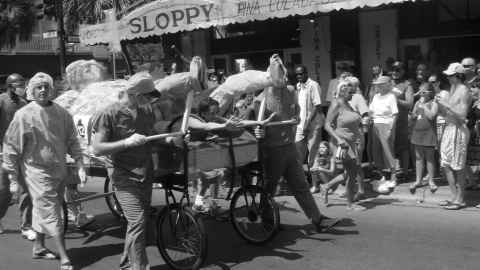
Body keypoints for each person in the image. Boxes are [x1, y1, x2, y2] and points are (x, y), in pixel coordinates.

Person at [91, 72, 181, 270]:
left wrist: (169, 140)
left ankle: (126, 262)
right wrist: (126, 142)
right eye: (148, 96)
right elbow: (96, 148)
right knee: (138, 221)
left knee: (139, 222)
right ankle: (139, 266)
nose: (150, 100)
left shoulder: (147, 110)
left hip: (145, 171)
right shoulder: (109, 113)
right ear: (136, 95)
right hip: (122, 173)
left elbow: (152, 136)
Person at [2, 72, 85, 270]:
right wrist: (13, 177)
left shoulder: (62, 113)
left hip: (59, 170)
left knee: (44, 208)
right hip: (36, 171)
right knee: (51, 211)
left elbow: (72, 139)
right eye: (38, 87)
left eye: (46, 86)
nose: (42, 90)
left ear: (51, 89)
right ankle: (65, 257)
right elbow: (11, 147)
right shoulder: (24, 115)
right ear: (32, 90)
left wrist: (80, 162)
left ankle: (39, 247)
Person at [253, 54, 340, 232]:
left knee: (300, 184)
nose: (284, 78)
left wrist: (296, 119)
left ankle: (317, 220)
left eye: (284, 74)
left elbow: (298, 112)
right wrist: (258, 131)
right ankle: (267, 220)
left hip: (290, 147)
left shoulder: (291, 91)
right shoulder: (261, 100)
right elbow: (256, 125)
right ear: (270, 77)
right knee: (269, 188)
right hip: (272, 150)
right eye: (280, 75)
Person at [0, 73, 33, 238]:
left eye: (22, 84)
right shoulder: (1, 101)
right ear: (10, 86)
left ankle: (26, 226)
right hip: (4, 152)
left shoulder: (23, 103)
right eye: (18, 85)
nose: (22, 88)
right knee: (4, 191)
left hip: (22, 151)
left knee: (25, 189)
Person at [324, 80, 364, 211]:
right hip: (341, 144)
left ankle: (327, 186)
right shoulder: (336, 103)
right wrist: (338, 139)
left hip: (351, 143)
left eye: (353, 92)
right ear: (342, 91)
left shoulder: (348, 104)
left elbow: (352, 122)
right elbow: (327, 125)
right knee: (352, 172)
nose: (352, 95)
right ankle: (350, 204)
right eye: (350, 92)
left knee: (349, 173)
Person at [436, 63, 471, 210]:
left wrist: (446, 104)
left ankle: (460, 199)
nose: (448, 77)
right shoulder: (453, 88)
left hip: (458, 129)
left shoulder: (463, 90)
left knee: (458, 166)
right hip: (449, 128)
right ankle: (454, 196)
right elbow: (446, 113)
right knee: (446, 163)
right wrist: (440, 105)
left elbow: (462, 115)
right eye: (448, 75)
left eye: (451, 75)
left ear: (458, 75)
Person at [368, 75, 398, 190]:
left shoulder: (391, 97)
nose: (378, 87)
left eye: (380, 85)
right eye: (377, 85)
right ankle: (382, 176)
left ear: (386, 85)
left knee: (388, 151)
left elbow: (395, 114)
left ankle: (393, 176)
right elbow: (371, 111)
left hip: (386, 124)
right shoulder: (375, 96)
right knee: (376, 151)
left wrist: (391, 129)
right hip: (375, 124)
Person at [409, 83, 438, 194]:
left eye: (424, 91)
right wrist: (414, 113)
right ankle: (418, 180)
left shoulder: (433, 103)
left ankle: (431, 180)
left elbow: (431, 116)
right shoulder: (417, 102)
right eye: (420, 91)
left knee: (430, 158)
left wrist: (424, 105)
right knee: (418, 158)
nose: (421, 93)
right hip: (417, 133)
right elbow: (413, 117)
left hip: (429, 134)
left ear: (430, 92)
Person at [294, 65, 325, 167]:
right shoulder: (298, 86)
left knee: (313, 151)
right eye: (297, 74)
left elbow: (317, 106)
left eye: (301, 74)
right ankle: (302, 177)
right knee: (298, 151)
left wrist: (307, 123)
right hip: (300, 125)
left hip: (313, 124)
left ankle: (314, 179)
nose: (299, 76)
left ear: (306, 73)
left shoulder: (313, 85)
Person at [390, 61, 414, 182]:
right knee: (390, 147)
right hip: (387, 122)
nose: (394, 72)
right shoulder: (387, 83)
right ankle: (393, 172)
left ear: (403, 71)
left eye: (398, 70)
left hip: (401, 122)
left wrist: (395, 99)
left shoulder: (407, 85)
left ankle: (404, 172)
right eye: (393, 69)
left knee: (403, 148)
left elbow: (410, 104)